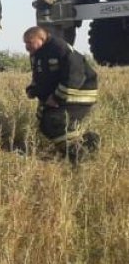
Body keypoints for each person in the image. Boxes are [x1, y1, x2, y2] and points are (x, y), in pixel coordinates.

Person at [23, 25, 100, 162]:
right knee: (44, 121)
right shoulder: (37, 54)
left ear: (41, 38)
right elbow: (42, 77)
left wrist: (57, 97)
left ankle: (78, 157)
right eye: (25, 43)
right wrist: (34, 90)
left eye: (29, 42)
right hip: (62, 93)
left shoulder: (59, 48)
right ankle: (89, 142)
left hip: (79, 92)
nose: (26, 47)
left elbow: (75, 75)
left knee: (54, 121)